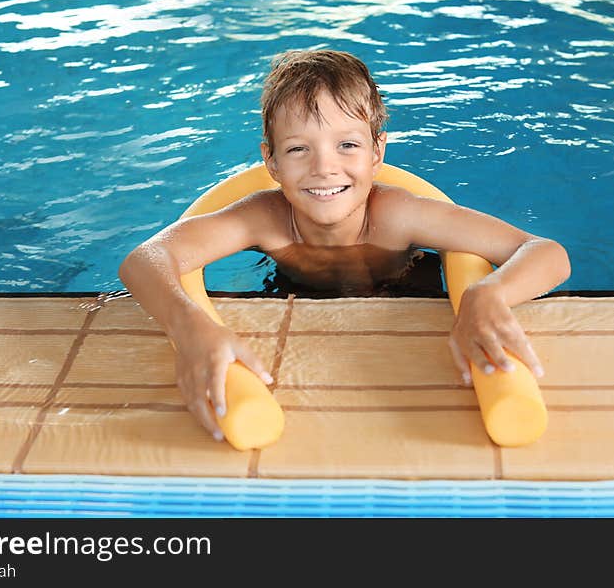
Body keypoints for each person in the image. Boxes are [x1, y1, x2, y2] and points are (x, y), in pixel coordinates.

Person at [119, 49, 571, 442]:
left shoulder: (397, 215)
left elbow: (546, 252)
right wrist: (191, 326)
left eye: (347, 145)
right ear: (270, 161)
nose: (324, 168)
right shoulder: (265, 218)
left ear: (377, 152)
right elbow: (146, 259)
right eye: (299, 150)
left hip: (406, 288)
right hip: (299, 294)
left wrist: (485, 293)